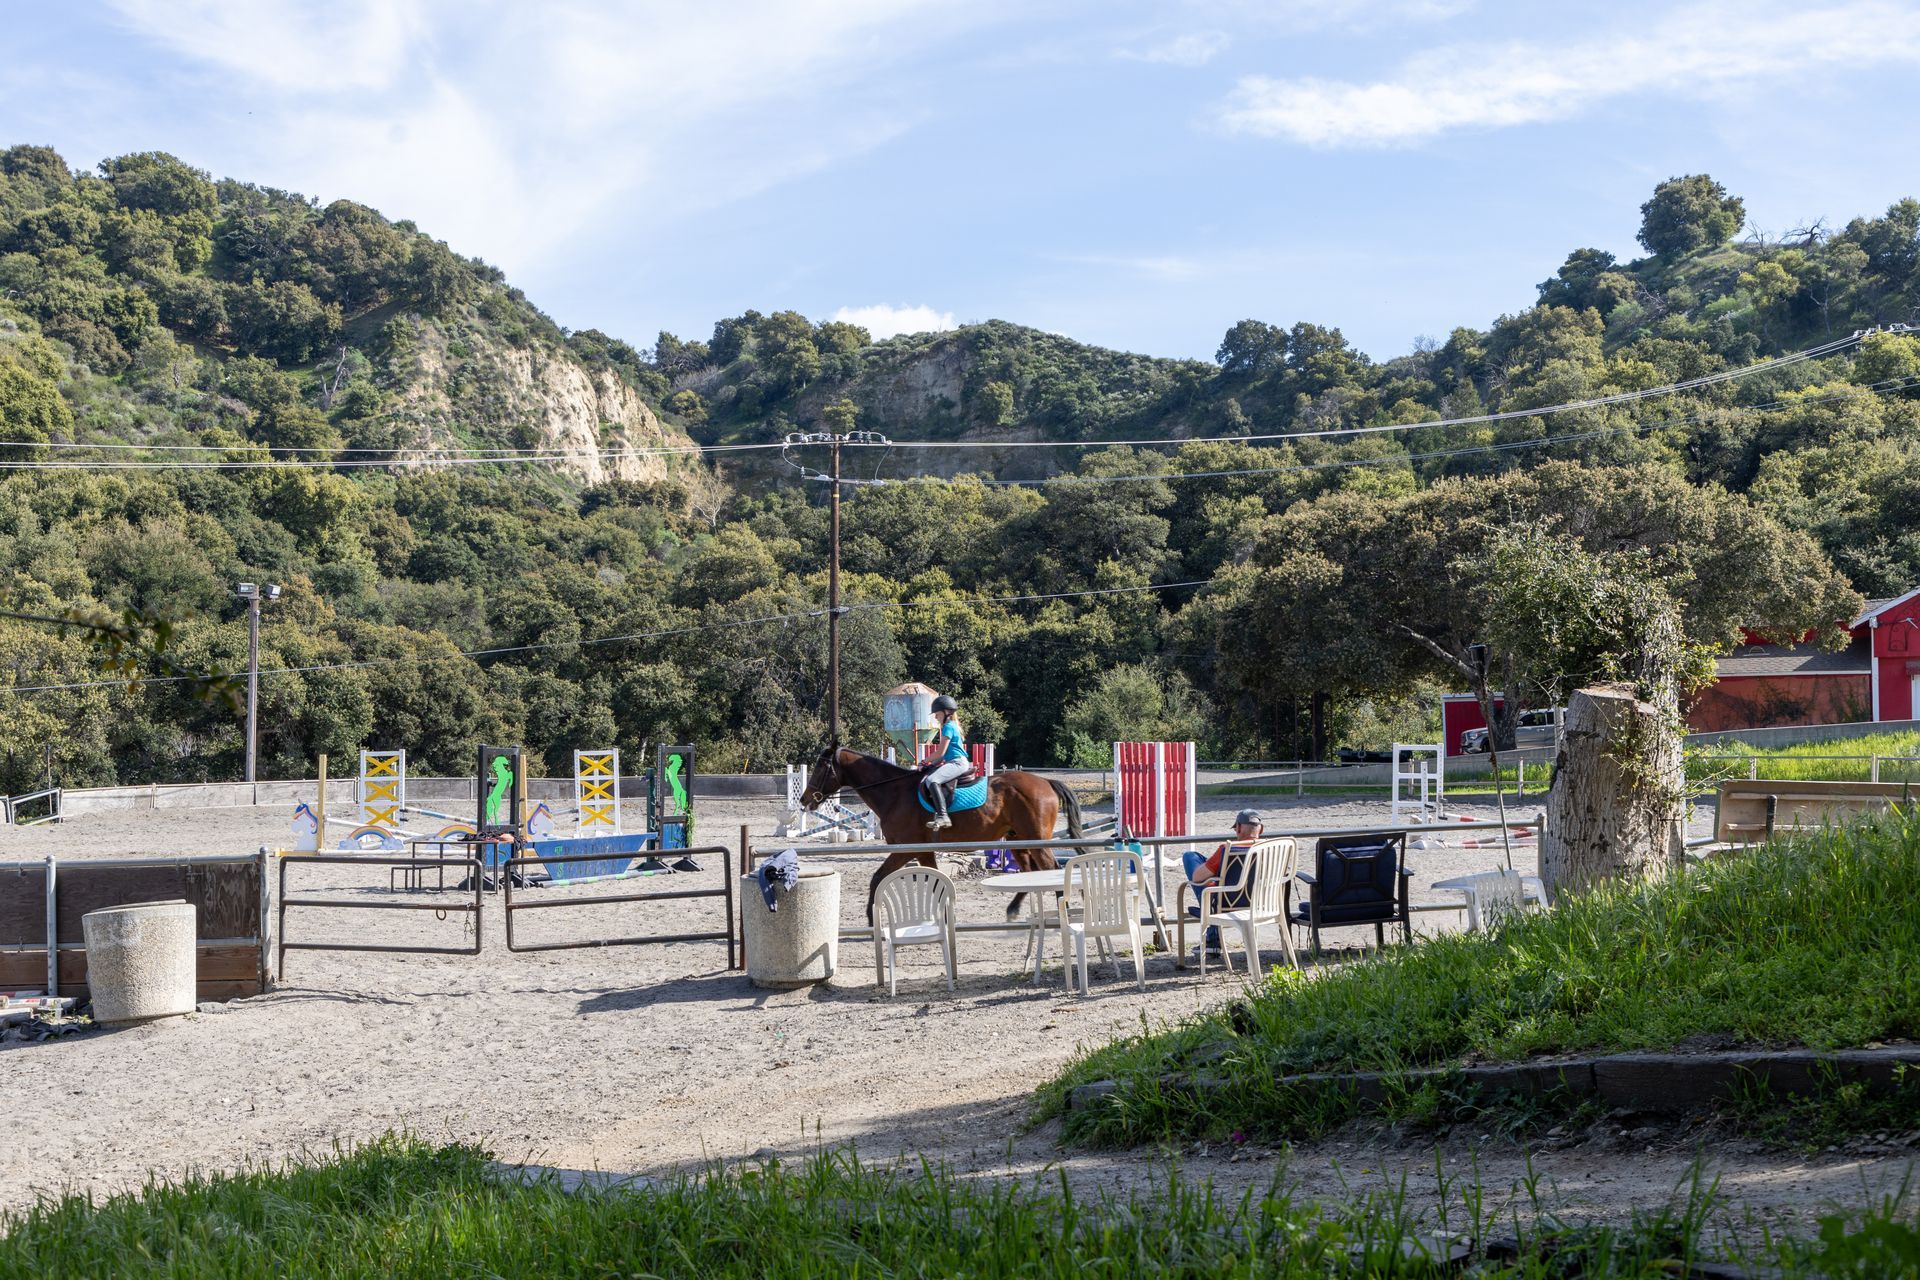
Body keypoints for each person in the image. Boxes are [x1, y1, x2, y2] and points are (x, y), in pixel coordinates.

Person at [1183, 809, 1263, 956]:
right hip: (1261, 904)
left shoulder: (1227, 850)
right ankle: (1212, 938)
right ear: (1261, 829)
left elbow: (1197, 878)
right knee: (1214, 875)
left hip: (1227, 904)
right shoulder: (1271, 849)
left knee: (1190, 857)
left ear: (1238, 828)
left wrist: (1213, 868)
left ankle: (1212, 937)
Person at [921, 694, 971, 830]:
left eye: (937, 714)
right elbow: (942, 758)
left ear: (946, 713)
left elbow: (940, 753)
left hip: (957, 763)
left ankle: (943, 816)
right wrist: (930, 764)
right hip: (953, 761)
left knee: (931, 780)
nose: (936, 717)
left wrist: (923, 761)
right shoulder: (951, 725)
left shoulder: (948, 727)